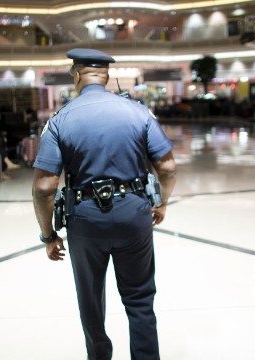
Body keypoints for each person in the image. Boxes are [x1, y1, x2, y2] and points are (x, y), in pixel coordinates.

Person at [32, 48, 177, 360]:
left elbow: (44, 188)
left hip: (84, 218)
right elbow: (167, 168)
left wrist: (49, 236)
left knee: (91, 301)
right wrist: (162, 204)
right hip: (134, 212)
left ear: (76, 75)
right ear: (108, 76)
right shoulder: (139, 113)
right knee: (140, 299)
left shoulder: (60, 120)